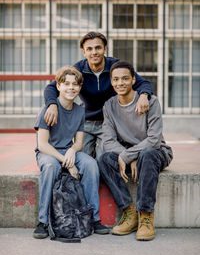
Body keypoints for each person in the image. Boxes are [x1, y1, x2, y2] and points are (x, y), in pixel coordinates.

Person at [43, 31, 153, 160]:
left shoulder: (115, 67)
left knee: (104, 159)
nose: (94, 52)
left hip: (109, 122)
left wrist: (144, 95)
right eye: (89, 49)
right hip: (85, 121)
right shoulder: (78, 69)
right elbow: (51, 87)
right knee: (82, 158)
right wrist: (52, 104)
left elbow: (144, 83)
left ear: (105, 49)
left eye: (98, 48)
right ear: (84, 52)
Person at [98, 61, 173, 241]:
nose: (120, 83)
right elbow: (108, 141)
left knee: (147, 154)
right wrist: (129, 157)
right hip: (130, 153)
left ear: (133, 80)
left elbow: (154, 140)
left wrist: (127, 155)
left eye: (125, 78)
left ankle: (146, 215)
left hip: (156, 152)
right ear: (111, 82)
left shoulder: (151, 102)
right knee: (103, 159)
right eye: (116, 79)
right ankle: (128, 211)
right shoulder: (109, 106)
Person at [33, 66, 109, 239]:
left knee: (91, 164)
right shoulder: (48, 109)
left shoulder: (80, 110)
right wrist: (67, 161)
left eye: (75, 84)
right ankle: (43, 222)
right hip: (49, 153)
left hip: (68, 151)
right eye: (66, 83)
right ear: (58, 86)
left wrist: (72, 151)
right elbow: (42, 144)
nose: (71, 87)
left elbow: (79, 143)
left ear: (80, 88)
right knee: (51, 167)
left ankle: (93, 218)